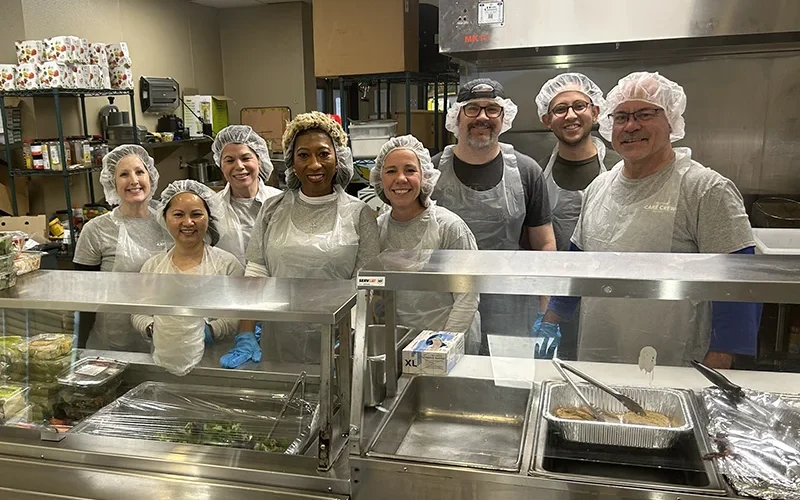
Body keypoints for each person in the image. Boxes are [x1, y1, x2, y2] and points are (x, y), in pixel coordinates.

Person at [536, 71, 760, 369]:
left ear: (671, 121)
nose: (631, 126)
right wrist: (551, 319)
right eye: (621, 117)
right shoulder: (599, 188)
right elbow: (579, 264)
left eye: (645, 114)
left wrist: (720, 358)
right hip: (599, 349)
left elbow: (740, 282)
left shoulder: (705, 190)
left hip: (676, 360)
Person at [221, 111, 380, 368]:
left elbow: (367, 283)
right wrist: (246, 333)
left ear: (338, 158)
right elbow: (256, 272)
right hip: (279, 338)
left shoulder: (359, 213)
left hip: (340, 339)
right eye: (303, 155)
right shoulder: (273, 209)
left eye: (324, 154)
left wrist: (350, 332)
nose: (314, 164)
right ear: (291, 162)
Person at [431, 78, 556, 350]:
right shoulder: (432, 171)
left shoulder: (527, 171)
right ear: (457, 116)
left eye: (492, 109)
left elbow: (544, 244)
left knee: (508, 386)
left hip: (509, 305)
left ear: (504, 116)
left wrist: (546, 312)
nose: (483, 117)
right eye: (473, 109)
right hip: (446, 305)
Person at [534, 73, 621, 359]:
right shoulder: (536, 174)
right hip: (551, 300)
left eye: (579, 106)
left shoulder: (620, 169)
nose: (570, 115)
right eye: (560, 109)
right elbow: (538, 246)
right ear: (547, 120)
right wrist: (545, 310)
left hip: (608, 301)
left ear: (595, 112)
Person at [369, 135, 481, 353]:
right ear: (380, 179)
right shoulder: (378, 228)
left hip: (449, 341)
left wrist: (441, 346)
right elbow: (376, 292)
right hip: (398, 342)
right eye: (391, 171)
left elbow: (467, 296)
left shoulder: (450, 227)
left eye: (410, 170)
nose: (400, 178)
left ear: (424, 176)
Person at [131, 180, 243, 375]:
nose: (188, 222)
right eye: (178, 215)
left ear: (209, 217)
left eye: (197, 214)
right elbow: (138, 312)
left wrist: (212, 331)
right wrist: (152, 329)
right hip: (163, 364)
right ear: (164, 218)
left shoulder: (227, 264)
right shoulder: (153, 267)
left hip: (218, 366)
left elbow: (240, 314)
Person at [73, 144, 168, 352]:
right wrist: (78, 348)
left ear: (151, 178)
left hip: (164, 333)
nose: (134, 180)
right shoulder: (96, 229)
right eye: (124, 174)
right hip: (112, 338)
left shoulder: (168, 222)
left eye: (140, 172)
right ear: (112, 183)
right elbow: (82, 296)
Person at [211, 125, 282, 265]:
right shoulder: (211, 208)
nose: (239, 166)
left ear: (259, 160)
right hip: (227, 284)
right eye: (229, 160)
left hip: (274, 283)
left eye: (246, 158)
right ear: (220, 165)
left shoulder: (280, 202)